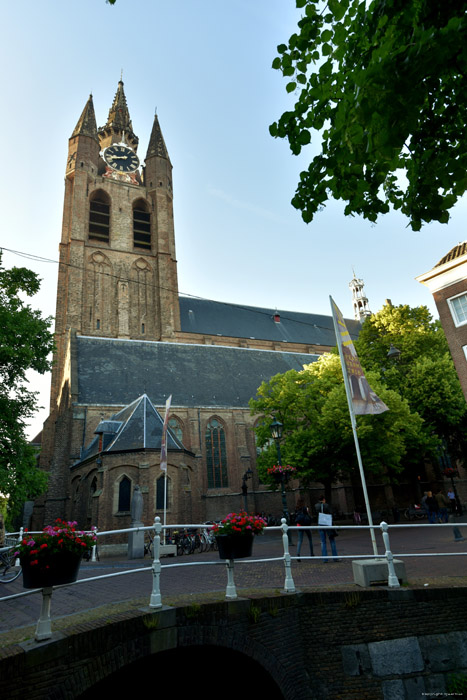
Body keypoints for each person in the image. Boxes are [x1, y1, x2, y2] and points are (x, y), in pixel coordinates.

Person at [314, 495, 339, 562]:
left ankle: (325, 558)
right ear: (324, 499)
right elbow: (331, 513)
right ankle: (335, 557)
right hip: (327, 524)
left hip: (320, 523)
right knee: (332, 540)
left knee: (323, 542)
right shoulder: (326, 505)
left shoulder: (316, 506)